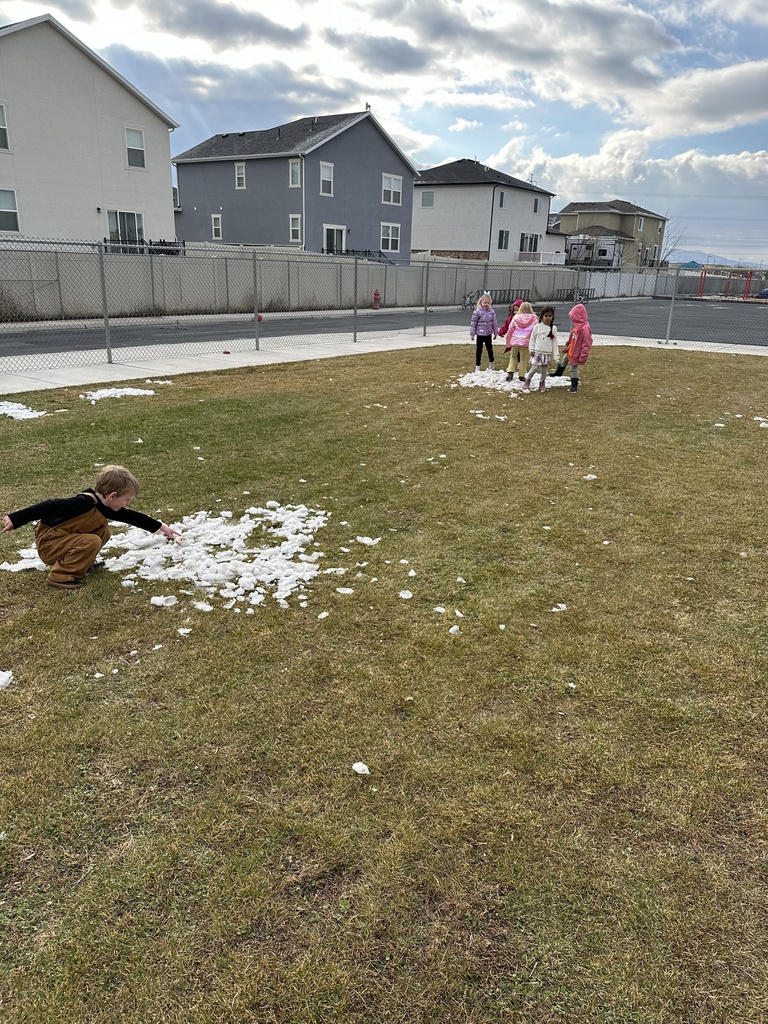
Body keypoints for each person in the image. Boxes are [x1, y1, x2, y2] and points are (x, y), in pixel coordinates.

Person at [2, 464, 181, 590]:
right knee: (92, 540)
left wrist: (160, 527)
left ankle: (81, 563)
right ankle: (60, 575)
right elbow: (50, 505)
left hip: (61, 542)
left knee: (103, 531)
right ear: (112, 496)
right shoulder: (83, 503)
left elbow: (129, 516)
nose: (128, 503)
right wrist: (16, 518)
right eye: (126, 499)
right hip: (50, 545)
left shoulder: (103, 505)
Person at [549, 303, 594, 394]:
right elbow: (573, 334)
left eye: (573, 317)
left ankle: (574, 386)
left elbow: (587, 344)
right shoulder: (577, 326)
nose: (572, 319)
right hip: (572, 350)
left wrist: (583, 356)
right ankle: (559, 372)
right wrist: (568, 342)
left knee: (574, 368)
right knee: (565, 359)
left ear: (579, 316)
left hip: (577, 353)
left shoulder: (585, 329)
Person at [522, 306, 559, 393]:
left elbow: (554, 342)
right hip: (537, 352)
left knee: (544, 370)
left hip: (547, 353)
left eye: (550, 316)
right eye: (546, 315)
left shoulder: (553, 328)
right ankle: (527, 381)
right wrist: (531, 349)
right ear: (542, 316)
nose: (548, 318)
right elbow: (532, 339)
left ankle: (542, 383)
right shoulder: (537, 327)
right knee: (534, 368)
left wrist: (555, 355)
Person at [503, 301, 538, 381]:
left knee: (513, 357)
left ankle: (510, 372)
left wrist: (508, 343)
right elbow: (535, 331)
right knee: (523, 359)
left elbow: (510, 331)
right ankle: (521, 375)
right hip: (525, 342)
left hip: (515, 340)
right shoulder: (534, 319)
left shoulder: (516, 318)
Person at [469, 293, 498, 372]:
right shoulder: (477, 312)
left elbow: (494, 323)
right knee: (479, 350)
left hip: (488, 334)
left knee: (490, 349)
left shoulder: (492, 312)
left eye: (488, 303)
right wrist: (472, 334)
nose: (486, 304)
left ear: (490, 303)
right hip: (480, 334)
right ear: (481, 302)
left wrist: (495, 332)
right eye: (484, 303)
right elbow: (473, 323)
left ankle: (491, 362)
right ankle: (477, 365)